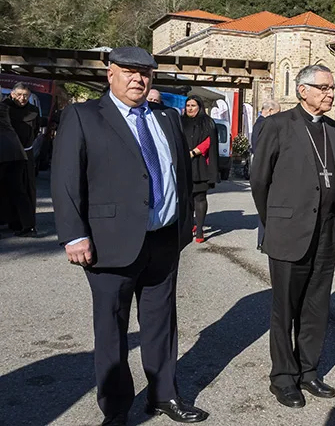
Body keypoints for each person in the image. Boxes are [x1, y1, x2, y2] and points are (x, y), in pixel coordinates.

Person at [51, 46, 208, 425]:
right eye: (129, 71)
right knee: (111, 329)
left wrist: (183, 225)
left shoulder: (166, 118)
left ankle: (164, 394)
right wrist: (74, 235)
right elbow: (66, 179)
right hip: (109, 243)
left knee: (161, 323)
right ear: (111, 74)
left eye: (145, 73)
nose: (138, 79)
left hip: (162, 240)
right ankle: (117, 409)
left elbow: (179, 176)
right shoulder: (84, 116)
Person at [250, 64, 335, 408]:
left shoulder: (334, 128)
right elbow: (260, 181)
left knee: (317, 306)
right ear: (303, 90)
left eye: (333, 88)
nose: (330, 94)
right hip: (289, 230)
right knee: (285, 307)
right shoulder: (278, 125)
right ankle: (284, 378)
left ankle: (309, 371)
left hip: (326, 231)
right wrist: (274, 220)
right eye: (324, 88)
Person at [2, 83, 40, 236]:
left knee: (25, 188)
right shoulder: (4, 108)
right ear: (12, 94)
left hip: (24, 154)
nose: (22, 98)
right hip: (5, 155)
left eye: (25, 95)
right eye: (19, 94)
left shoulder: (34, 111)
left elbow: (35, 132)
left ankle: (26, 224)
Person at [181, 96, 219, 243]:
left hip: (201, 165)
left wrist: (195, 151)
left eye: (193, 105)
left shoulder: (207, 122)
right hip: (185, 165)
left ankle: (200, 228)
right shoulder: (180, 121)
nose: (190, 108)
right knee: (187, 198)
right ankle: (189, 225)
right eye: (188, 105)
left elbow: (210, 141)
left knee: (200, 197)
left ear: (199, 107)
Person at [250, 99, 281, 250]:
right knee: (265, 205)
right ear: (269, 111)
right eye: (277, 113)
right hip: (264, 168)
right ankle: (264, 240)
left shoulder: (259, 123)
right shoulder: (263, 124)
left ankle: (263, 239)